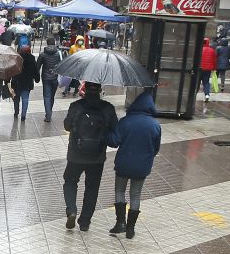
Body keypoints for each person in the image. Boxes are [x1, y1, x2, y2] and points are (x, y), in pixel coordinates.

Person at [62, 81, 119, 231]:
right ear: (100, 90)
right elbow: (115, 131)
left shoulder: (76, 106)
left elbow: (67, 126)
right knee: (92, 188)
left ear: (84, 89)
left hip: (76, 154)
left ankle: (72, 210)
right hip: (97, 157)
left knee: (70, 181)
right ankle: (85, 222)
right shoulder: (108, 108)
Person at [108, 90, 161, 239]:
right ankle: (130, 229)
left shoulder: (126, 121)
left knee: (120, 191)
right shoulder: (155, 125)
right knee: (135, 195)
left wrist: (108, 131)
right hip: (142, 166)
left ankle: (120, 224)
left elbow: (114, 141)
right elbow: (156, 148)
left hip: (123, 164)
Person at [35, 38, 64, 122]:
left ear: (47, 44)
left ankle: (48, 114)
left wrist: (36, 78)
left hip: (46, 78)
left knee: (47, 96)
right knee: (52, 96)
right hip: (55, 77)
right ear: (54, 43)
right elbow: (61, 65)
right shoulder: (58, 53)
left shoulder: (43, 54)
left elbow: (37, 67)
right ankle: (49, 111)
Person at [11, 45, 39, 121]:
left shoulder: (17, 59)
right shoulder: (32, 59)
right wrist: (37, 79)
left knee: (16, 98)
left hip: (17, 82)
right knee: (25, 99)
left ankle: (16, 112)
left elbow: (12, 70)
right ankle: (23, 115)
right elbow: (36, 71)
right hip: (27, 83)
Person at [199, 37, 217, 103]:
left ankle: (194, 94)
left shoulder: (199, 49)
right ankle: (207, 95)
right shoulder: (212, 50)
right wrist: (214, 68)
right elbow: (214, 61)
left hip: (199, 68)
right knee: (206, 82)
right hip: (207, 69)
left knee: (197, 82)